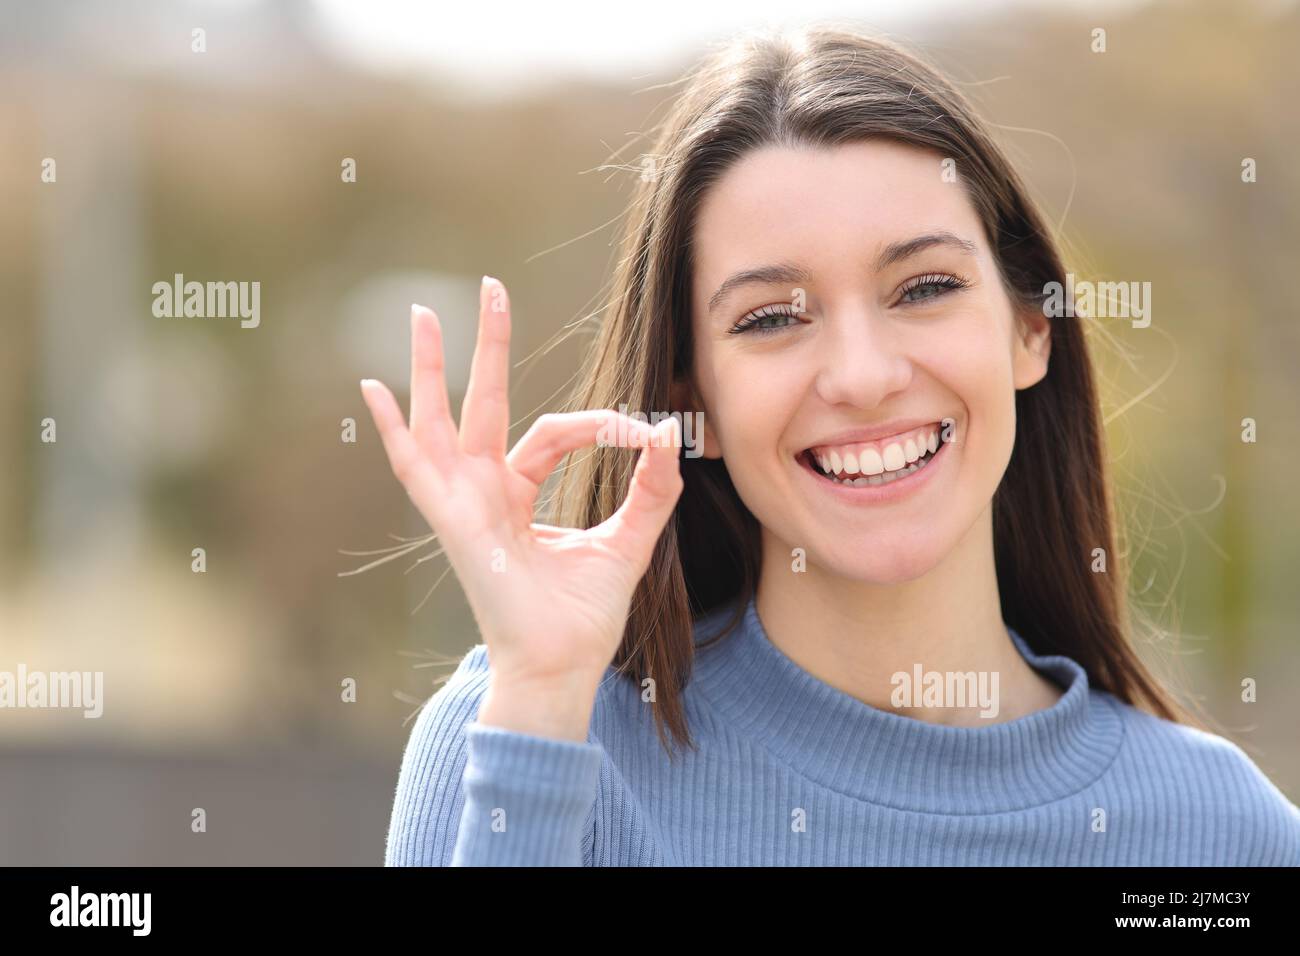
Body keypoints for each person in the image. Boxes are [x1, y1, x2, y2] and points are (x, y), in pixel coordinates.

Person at [361, 25, 1300, 866]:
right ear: (696, 403)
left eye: (925, 287)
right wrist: (539, 707)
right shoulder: (531, 733)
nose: (861, 374)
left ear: (1030, 329)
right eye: (772, 317)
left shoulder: (1222, 836)